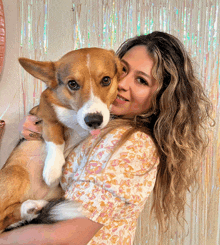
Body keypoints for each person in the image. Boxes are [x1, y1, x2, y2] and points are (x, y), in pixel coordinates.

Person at [0, 31, 213, 245]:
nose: (121, 84)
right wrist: (38, 124)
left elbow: (65, 237)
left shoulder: (132, 144)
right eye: (123, 71)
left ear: (162, 96)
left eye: (141, 80)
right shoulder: (103, 124)